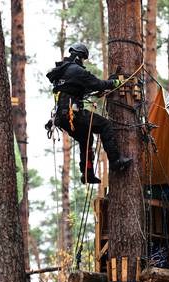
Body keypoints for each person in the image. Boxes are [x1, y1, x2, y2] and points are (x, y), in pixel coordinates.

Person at [46, 43, 132, 184]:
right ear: (80, 56)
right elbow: (97, 84)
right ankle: (116, 161)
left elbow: (76, 88)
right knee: (105, 125)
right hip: (73, 115)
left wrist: (95, 91)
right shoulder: (77, 70)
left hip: (62, 119)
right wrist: (114, 82)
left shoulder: (62, 71)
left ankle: (87, 173)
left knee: (86, 139)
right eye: (83, 59)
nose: (83, 62)